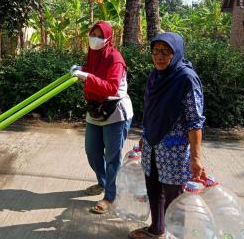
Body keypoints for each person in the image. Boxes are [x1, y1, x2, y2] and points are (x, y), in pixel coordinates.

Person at [129, 32, 206, 239]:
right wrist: (145, 134)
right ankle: (157, 229)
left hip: (174, 150)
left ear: (176, 52)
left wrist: (196, 158)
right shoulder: (155, 75)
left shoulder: (186, 79)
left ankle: (175, 235)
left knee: (174, 199)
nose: (159, 56)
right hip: (152, 144)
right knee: (153, 189)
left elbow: (195, 121)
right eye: (155, 51)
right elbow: (150, 108)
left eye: (165, 52)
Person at [71, 21, 133, 214]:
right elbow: (90, 68)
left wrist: (86, 77)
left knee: (112, 157)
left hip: (115, 112)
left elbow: (111, 87)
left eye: (99, 35)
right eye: (93, 34)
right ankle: (103, 182)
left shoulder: (115, 58)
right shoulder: (93, 54)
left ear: (107, 38)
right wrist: (80, 67)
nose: (95, 39)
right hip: (95, 109)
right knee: (92, 151)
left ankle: (110, 197)